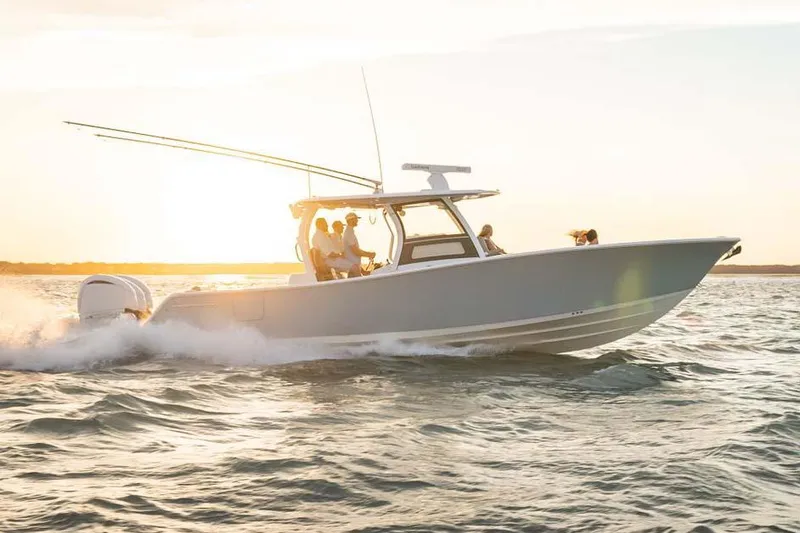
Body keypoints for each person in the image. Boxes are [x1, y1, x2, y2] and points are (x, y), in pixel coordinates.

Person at [343, 212, 376, 276]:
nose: (357, 221)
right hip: (353, 268)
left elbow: (355, 251)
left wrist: (363, 270)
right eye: (356, 219)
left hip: (355, 266)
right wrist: (369, 254)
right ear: (351, 220)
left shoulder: (350, 232)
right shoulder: (349, 233)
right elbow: (356, 251)